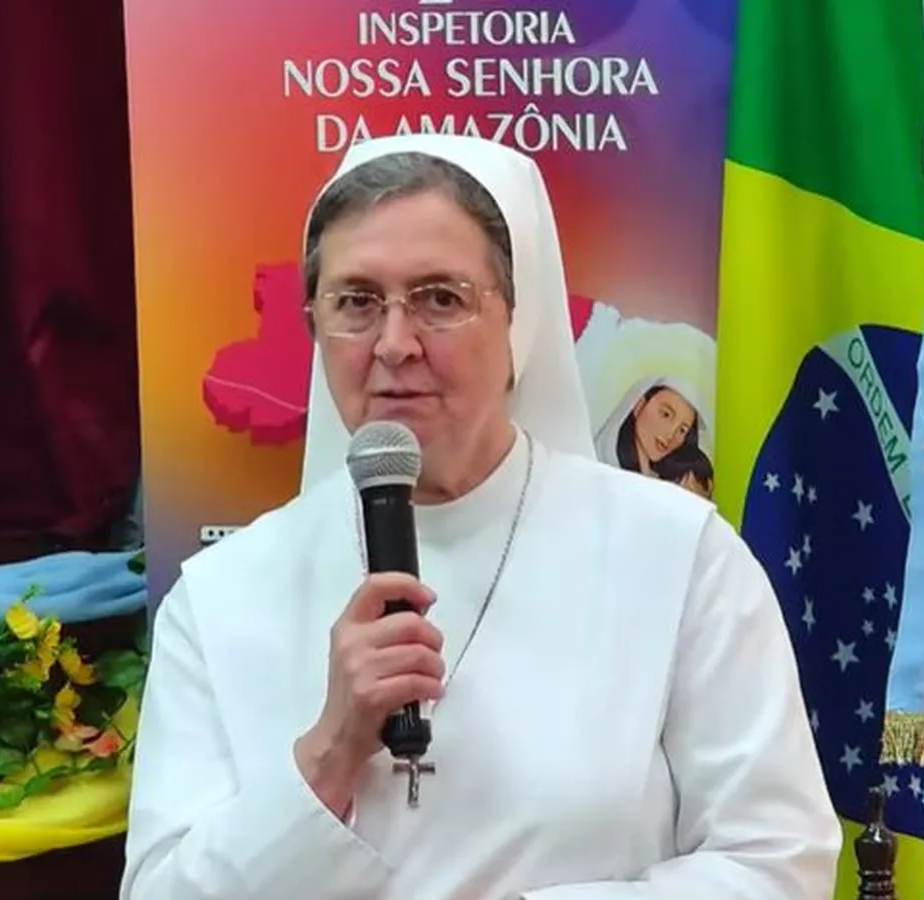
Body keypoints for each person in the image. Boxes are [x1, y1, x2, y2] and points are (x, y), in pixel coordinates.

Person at [120, 134, 840, 900]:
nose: (395, 344)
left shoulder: (677, 556)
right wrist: (329, 753)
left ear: (517, 321)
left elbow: (777, 864)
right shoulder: (220, 595)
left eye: (440, 298)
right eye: (356, 302)